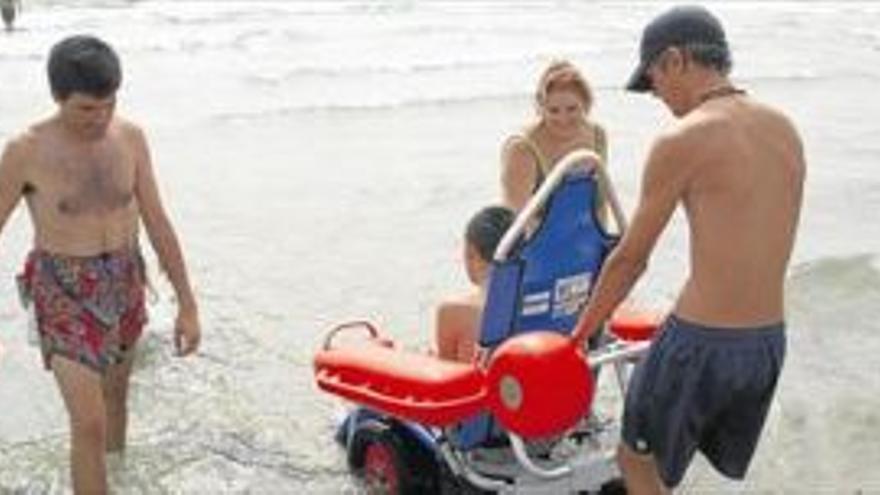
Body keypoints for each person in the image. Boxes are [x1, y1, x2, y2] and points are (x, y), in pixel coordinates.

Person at [571, 5, 804, 493]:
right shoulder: (784, 129)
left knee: (637, 461)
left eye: (653, 77)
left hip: (703, 342)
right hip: (767, 343)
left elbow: (632, 259)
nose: (655, 93)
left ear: (675, 60)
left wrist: (579, 336)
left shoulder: (682, 138)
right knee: (671, 463)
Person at [0, 35, 201, 495]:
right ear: (58, 98)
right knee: (87, 422)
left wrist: (188, 304)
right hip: (63, 288)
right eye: (86, 110)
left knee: (114, 403)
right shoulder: (25, 151)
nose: (99, 119)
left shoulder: (130, 138)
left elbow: (158, 222)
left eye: (108, 105)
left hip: (125, 279)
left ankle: (116, 481)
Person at [500, 60, 610, 219]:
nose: (563, 119)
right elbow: (514, 218)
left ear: (586, 104)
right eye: (553, 111)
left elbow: (601, 206)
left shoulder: (598, 136)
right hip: (539, 241)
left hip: (588, 239)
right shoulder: (523, 147)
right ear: (541, 108)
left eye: (572, 109)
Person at [435, 205, 514, 363]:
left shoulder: (453, 312)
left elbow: (445, 375)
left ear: (471, 253)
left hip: (481, 386)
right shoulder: (537, 304)